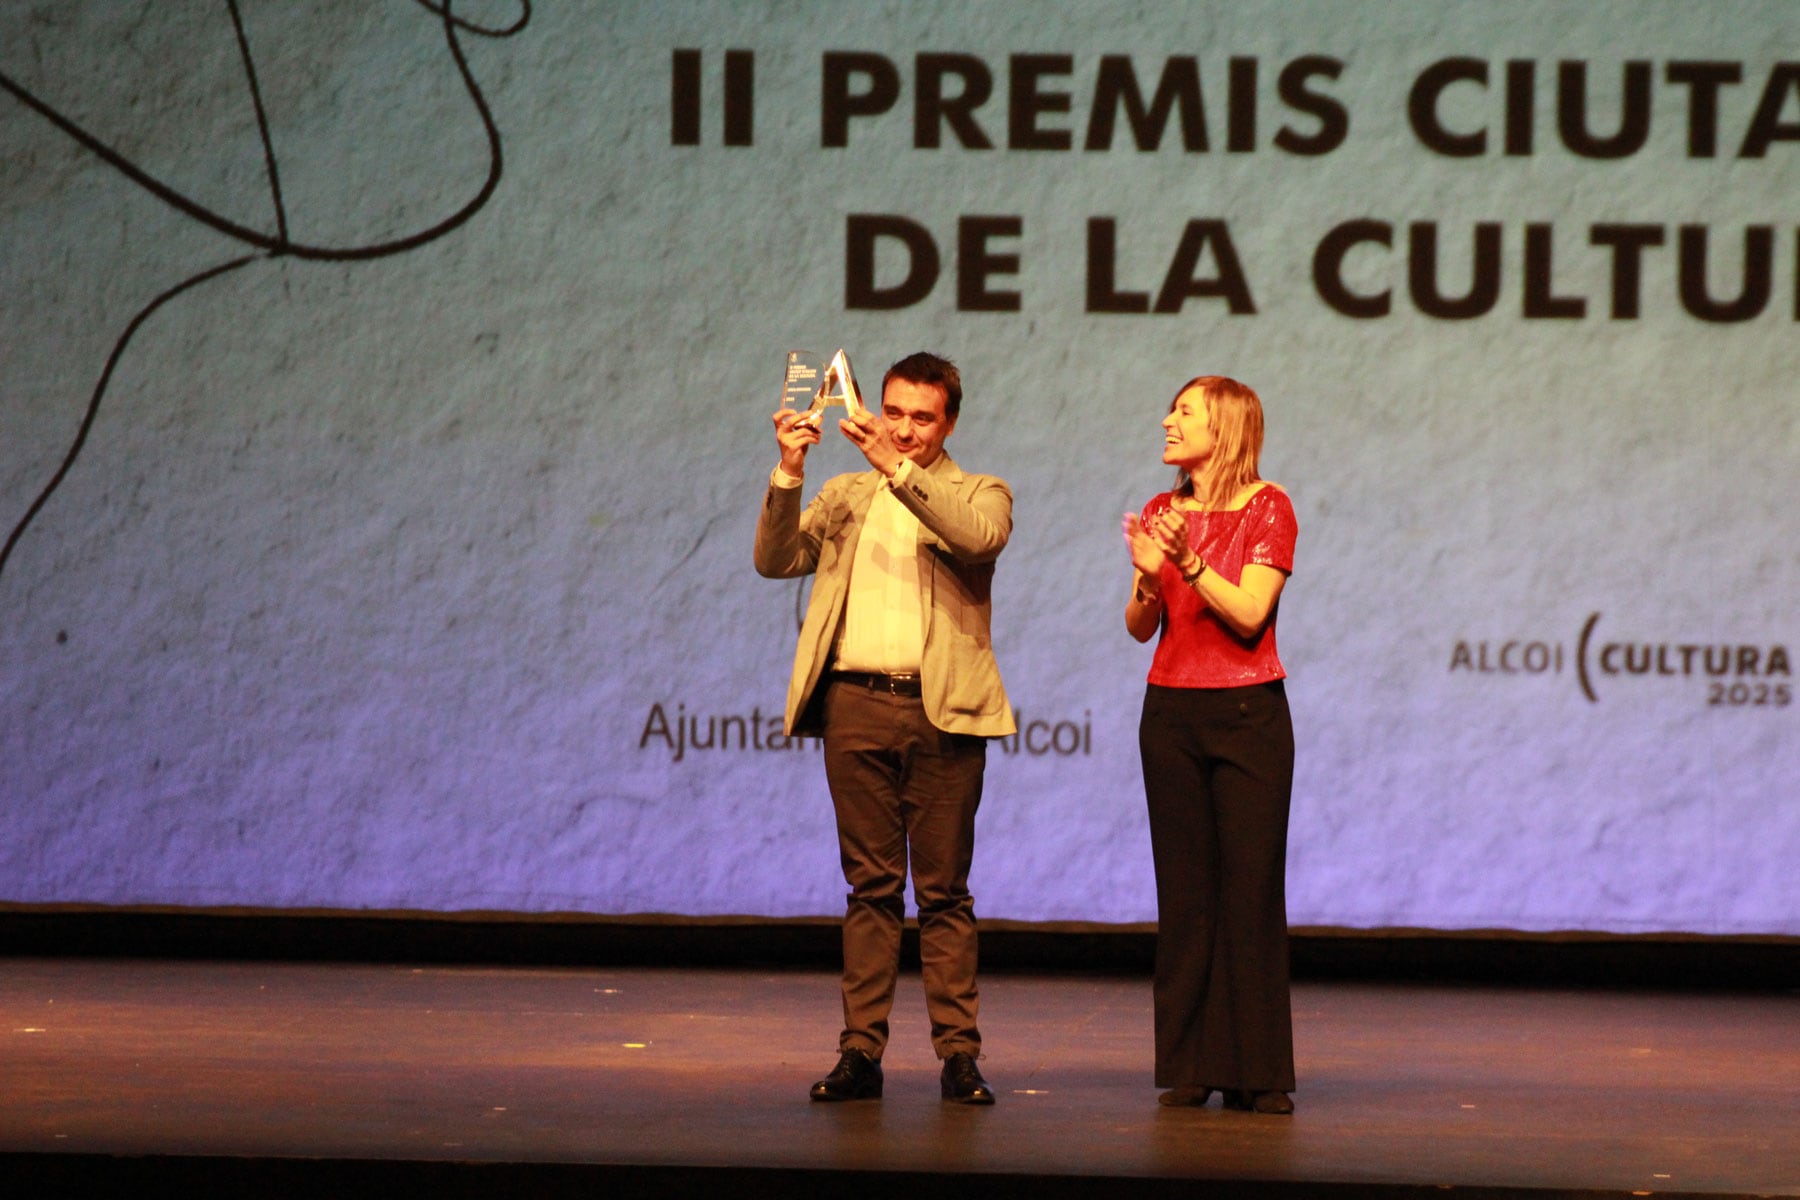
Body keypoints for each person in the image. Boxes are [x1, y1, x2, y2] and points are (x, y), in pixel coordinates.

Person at [754, 351, 1015, 1105]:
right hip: (856, 705)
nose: (902, 430)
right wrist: (789, 469)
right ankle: (860, 1052)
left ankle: (959, 1055)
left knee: (944, 894)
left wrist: (899, 473)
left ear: (949, 423)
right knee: (870, 888)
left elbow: (976, 539)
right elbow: (777, 560)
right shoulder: (845, 493)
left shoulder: (979, 490)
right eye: (893, 412)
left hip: (941, 710)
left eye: (921, 418)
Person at [1121, 375, 1299, 1115]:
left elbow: (1251, 615)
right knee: (1186, 893)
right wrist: (1150, 579)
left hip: (1247, 714)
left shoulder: (1268, 507)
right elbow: (1138, 626)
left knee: (1248, 892)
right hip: (1171, 713)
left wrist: (1190, 562)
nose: (1167, 420)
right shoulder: (1164, 509)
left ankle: (1256, 1071)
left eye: (1184, 412)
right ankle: (1189, 1064)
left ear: (1223, 426)